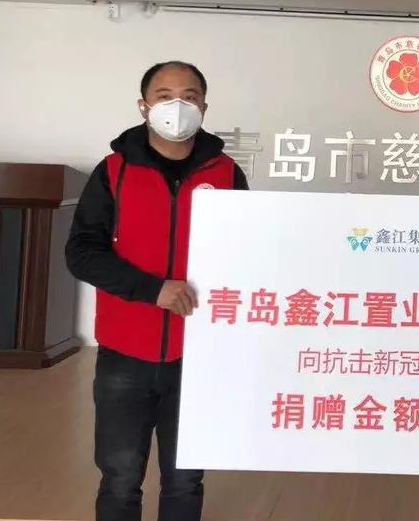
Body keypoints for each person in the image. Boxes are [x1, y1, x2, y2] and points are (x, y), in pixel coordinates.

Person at [66, 61, 249, 521]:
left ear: (204, 107)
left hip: (198, 353)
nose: (177, 105)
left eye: (189, 96)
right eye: (164, 96)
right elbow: (81, 253)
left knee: (185, 479)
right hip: (125, 353)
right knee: (120, 477)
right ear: (143, 105)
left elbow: (247, 252)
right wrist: (152, 290)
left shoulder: (227, 174)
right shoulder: (113, 171)